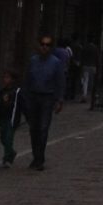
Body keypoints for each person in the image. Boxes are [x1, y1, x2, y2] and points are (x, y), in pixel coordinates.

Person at [23, 32, 65, 170]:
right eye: (43, 44)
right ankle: (36, 156)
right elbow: (27, 80)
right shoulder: (33, 61)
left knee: (43, 128)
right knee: (33, 128)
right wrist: (25, 98)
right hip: (33, 97)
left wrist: (59, 100)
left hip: (47, 97)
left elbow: (60, 82)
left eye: (48, 45)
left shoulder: (56, 63)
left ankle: (39, 158)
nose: (45, 47)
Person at [0, 70, 22, 167]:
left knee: (8, 138)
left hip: (12, 117)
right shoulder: (2, 91)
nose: (5, 80)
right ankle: (11, 152)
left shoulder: (16, 91)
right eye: (4, 77)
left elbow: (19, 104)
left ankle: (7, 158)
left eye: (8, 77)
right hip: (3, 117)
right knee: (3, 137)